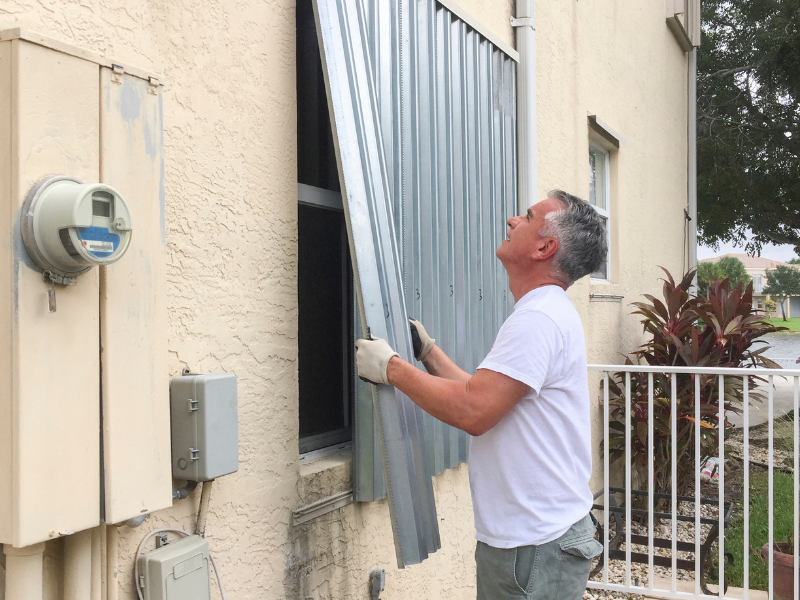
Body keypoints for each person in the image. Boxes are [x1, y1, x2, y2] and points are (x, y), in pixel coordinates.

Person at [355, 190, 608, 600]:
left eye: (526, 217)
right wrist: (427, 352)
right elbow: (485, 395)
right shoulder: (545, 310)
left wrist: (391, 368)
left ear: (545, 247)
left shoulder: (539, 318)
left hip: (535, 547)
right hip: (537, 540)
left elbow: (475, 410)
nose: (512, 220)